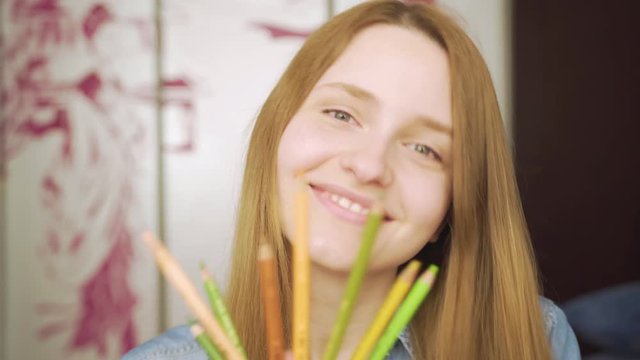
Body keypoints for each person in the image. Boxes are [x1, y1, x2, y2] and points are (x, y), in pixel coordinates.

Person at [124, 1, 580, 359]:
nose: (369, 167)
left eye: (425, 149)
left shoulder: (533, 339)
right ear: (276, 135)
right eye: (341, 114)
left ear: (451, 208)